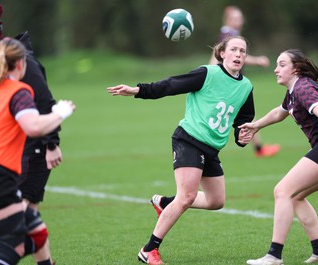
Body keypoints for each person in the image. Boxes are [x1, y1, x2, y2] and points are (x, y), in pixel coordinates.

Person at [107, 35, 255, 265]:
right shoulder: (207, 73)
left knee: (216, 201)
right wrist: (138, 90)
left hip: (212, 148)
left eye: (243, 51)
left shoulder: (246, 87)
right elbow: (170, 85)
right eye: (234, 50)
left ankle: (165, 203)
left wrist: (242, 136)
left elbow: (243, 120)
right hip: (189, 140)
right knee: (187, 196)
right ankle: (149, 250)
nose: (238, 55)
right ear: (222, 53)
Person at [238, 49, 318, 265]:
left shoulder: (303, 87)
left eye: (282, 64)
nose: (276, 69)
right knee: (295, 196)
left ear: (296, 68)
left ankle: (274, 256)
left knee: (282, 190)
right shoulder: (294, 91)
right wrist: (256, 126)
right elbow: (280, 112)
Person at [0, 37, 75, 265]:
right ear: (21, 64)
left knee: (37, 231)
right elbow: (34, 126)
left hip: (0, 177)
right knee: (12, 248)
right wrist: (62, 112)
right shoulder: (18, 91)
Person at [209, 5, 280, 158]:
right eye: (236, 18)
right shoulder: (227, 36)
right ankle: (258, 149)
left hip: (232, 82)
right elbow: (219, 58)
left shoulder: (230, 34)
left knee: (245, 115)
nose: (240, 21)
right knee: (242, 115)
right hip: (228, 82)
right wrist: (259, 60)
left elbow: (214, 57)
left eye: (240, 18)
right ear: (228, 20)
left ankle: (259, 148)